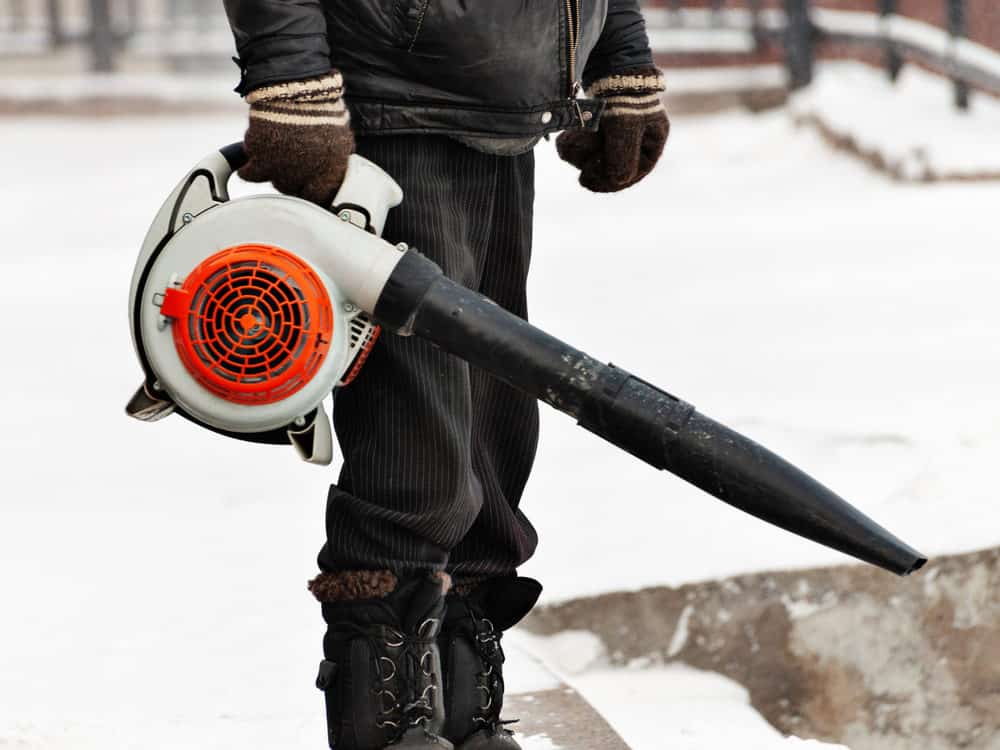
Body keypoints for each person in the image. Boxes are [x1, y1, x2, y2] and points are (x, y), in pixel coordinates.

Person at [222, 2, 669, 748]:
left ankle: (461, 709)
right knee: (415, 444)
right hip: (397, 106)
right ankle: (389, 721)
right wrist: (289, 77)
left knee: (493, 436)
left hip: (501, 104)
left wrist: (618, 54)